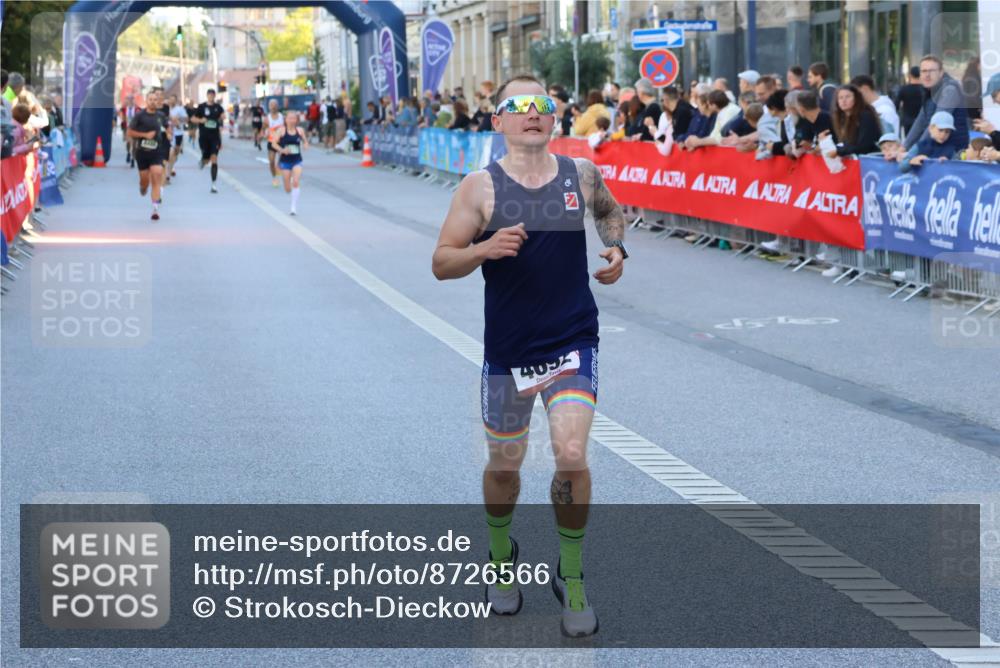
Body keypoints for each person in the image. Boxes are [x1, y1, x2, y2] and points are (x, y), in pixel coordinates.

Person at [431, 74, 627, 638]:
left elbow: (611, 212)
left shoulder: (580, 173)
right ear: (499, 121)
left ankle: (571, 576)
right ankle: (500, 556)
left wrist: (616, 247)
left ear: (554, 115)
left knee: (570, 456)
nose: (533, 113)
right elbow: (442, 261)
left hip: (572, 342)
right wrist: (484, 248)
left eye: (542, 104)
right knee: (504, 469)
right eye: (518, 106)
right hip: (509, 352)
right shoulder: (480, 188)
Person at [903, 54, 970, 153]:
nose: (927, 75)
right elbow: (920, 121)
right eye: (924, 71)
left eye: (932, 71)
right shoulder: (929, 90)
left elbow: (935, 125)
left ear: (941, 73)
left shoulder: (949, 90)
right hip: (938, 150)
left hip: (953, 154)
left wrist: (914, 151)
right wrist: (904, 147)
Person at [126, 90, 168, 221]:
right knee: (145, 182)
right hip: (142, 152)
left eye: (155, 100)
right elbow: (129, 132)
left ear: (158, 101)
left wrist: (169, 132)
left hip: (157, 151)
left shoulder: (161, 115)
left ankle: (155, 209)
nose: (153, 102)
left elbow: (167, 128)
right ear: (146, 101)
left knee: (156, 175)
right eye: (150, 99)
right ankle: (143, 187)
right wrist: (145, 135)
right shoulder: (139, 116)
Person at [270, 110, 307, 215]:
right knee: (287, 189)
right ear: (285, 120)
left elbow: (305, 140)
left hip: (297, 160)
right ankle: (289, 184)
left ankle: (293, 207)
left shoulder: (300, 130)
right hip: (285, 161)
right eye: (290, 118)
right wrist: (282, 150)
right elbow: (273, 144)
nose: (292, 120)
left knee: (296, 181)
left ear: (296, 120)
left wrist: (305, 144)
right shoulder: (281, 131)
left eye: (294, 118)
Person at [826, 85, 880, 156]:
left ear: (856, 98)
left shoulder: (865, 116)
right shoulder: (841, 118)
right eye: (840, 98)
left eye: (847, 97)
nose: (843, 100)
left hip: (869, 159)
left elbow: (863, 146)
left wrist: (838, 151)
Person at [190, 89, 226, 193]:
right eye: (209, 95)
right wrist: (201, 120)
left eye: (212, 95)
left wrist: (222, 117)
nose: (211, 96)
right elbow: (192, 118)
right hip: (204, 137)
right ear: (207, 96)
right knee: (207, 159)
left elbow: (223, 116)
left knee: (214, 158)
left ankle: (213, 184)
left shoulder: (218, 107)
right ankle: (203, 161)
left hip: (215, 137)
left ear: (214, 96)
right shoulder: (201, 107)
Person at [896, 66, 924, 137]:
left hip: (907, 121)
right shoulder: (925, 90)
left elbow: (896, 105)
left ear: (910, 75)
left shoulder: (904, 89)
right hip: (922, 121)